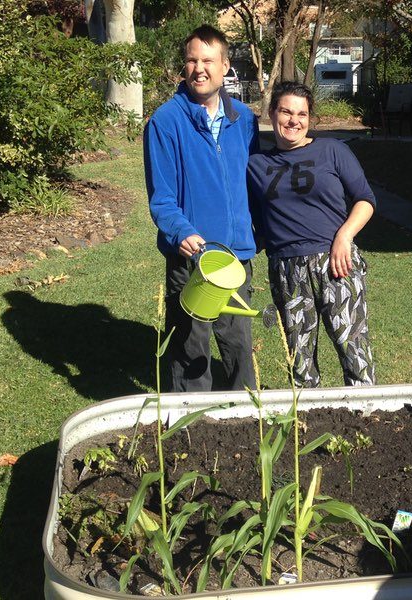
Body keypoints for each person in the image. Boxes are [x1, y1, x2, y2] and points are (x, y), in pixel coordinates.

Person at [144, 25, 259, 392]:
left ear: (225, 66)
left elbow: (255, 182)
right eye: (192, 60)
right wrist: (181, 231)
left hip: (235, 257)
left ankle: (247, 417)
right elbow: (161, 197)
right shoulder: (166, 122)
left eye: (208, 60)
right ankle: (190, 431)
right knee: (191, 350)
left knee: (239, 346)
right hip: (192, 258)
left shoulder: (244, 119)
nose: (199, 68)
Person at [247, 81, 376, 387]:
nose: (294, 120)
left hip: (336, 262)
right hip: (286, 268)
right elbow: (256, 221)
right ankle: (305, 426)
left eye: (302, 114)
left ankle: (367, 413)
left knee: (353, 347)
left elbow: (365, 200)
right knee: (299, 359)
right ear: (271, 113)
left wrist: (345, 236)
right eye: (286, 111)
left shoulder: (332, 150)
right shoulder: (255, 165)